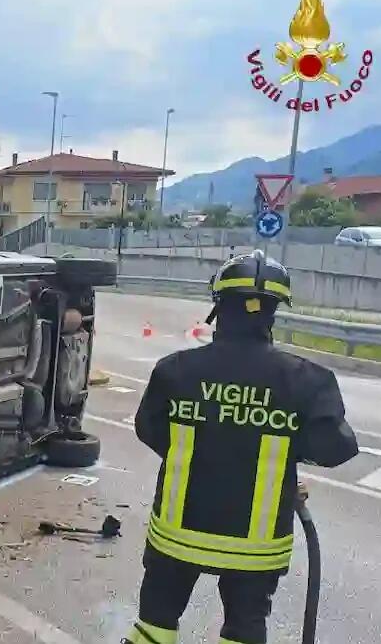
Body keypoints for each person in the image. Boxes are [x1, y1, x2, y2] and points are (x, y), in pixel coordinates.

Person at [123, 250, 358, 644]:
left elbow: (149, 429)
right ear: (273, 312)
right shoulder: (307, 381)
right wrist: (279, 454)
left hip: (177, 534)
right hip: (256, 546)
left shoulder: (174, 370)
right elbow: (337, 448)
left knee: (155, 628)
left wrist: (204, 447)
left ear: (218, 307)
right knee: (243, 632)